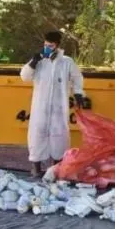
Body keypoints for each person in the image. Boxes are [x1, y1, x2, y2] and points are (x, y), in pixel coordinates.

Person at [20, 30, 85, 177]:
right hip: (40, 107)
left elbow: (77, 77)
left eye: (50, 45)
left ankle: (56, 169)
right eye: (45, 44)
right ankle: (36, 168)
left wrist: (78, 93)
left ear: (57, 45)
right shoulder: (39, 62)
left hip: (58, 107)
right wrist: (33, 62)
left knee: (59, 135)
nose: (47, 47)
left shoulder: (67, 62)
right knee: (37, 134)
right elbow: (24, 76)